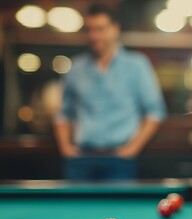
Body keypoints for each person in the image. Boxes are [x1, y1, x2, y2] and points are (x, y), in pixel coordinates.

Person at [54, 5, 166, 180]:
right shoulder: (76, 67)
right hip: (80, 160)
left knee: (119, 209)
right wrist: (65, 147)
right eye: (89, 30)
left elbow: (155, 112)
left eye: (100, 29)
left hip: (120, 160)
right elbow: (63, 114)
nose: (94, 36)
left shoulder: (137, 65)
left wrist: (133, 148)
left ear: (115, 29)